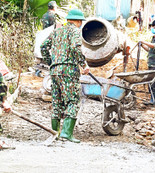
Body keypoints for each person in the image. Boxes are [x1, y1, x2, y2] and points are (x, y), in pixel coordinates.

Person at [40, 9, 89, 143]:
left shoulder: (56, 31)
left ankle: (55, 132)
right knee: (72, 100)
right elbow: (75, 48)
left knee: (57, 101)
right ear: (78, 21)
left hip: (54, 71)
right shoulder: (75, 31)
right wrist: (83, 65)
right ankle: (67, 133)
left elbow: (43, 47)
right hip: (68, 70)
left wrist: (51, 62)